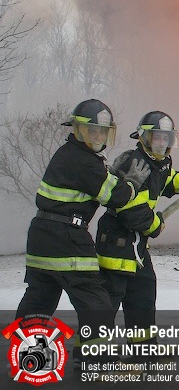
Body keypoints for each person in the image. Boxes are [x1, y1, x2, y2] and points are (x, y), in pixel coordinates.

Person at [16, 99, 151, 357]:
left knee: (39, 301)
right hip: (68, 239)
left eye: (102, 132)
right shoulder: (84, 161)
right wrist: (132, 183)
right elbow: (116, 196)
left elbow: (95, 183)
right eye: (92, 131)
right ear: (78, 130)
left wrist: (114, 176)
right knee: (96, 303)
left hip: (41, 238)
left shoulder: (68, 154)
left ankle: (26, 357)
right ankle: (94, 359)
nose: (98, 137)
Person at [96, 111, 179, 346]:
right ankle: (90, 355)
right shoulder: (133, 163)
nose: (161, 143)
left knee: (143, 300)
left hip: (136, 249)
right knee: (106, 307)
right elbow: (129, 209)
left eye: (166, 138)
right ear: (144, 137)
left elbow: (169, 179)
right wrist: (155, 225)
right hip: (116, 247)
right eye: (157, 137)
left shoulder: (158, 164)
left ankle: (143, 353)